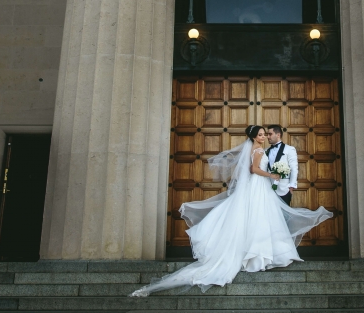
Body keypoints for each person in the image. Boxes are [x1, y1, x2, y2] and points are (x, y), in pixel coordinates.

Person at [129, 125, 332, 296]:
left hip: (258, 188)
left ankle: (256, 253)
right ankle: (258, 255)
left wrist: (281, 179)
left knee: (258, 218)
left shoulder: (259, 149)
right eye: (261, 134)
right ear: (254, 137)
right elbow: (254, 170)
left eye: (265, 134)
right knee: (261, 218)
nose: (264, 137)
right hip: (259, 186)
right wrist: (272, 175)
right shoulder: (260, 150)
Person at [266, 125, 298, 206]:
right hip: (268, 189)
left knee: (284, 217)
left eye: (270, 134)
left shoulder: (289, 149)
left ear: (278, 135)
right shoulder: (266, 151)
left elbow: (294, 168)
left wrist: (291, 186)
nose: (267, 137)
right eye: (267, 134)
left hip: (284, 189)